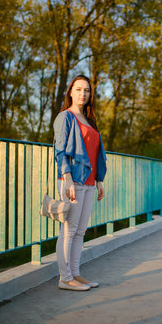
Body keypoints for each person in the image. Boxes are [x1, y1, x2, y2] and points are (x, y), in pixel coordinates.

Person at [53, 74, 107, 291]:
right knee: (69, 230)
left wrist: (100, 179)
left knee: (80, 230)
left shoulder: (89, 120)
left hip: (89, 181)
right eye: (78, 89)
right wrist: (66, 178)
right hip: (72, 180)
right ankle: (64, 278)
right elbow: (60, 149)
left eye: (86, 90)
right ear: (70, 92)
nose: (83, 94)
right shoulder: (65, 117)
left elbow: (97, 153)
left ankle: (75, 273)